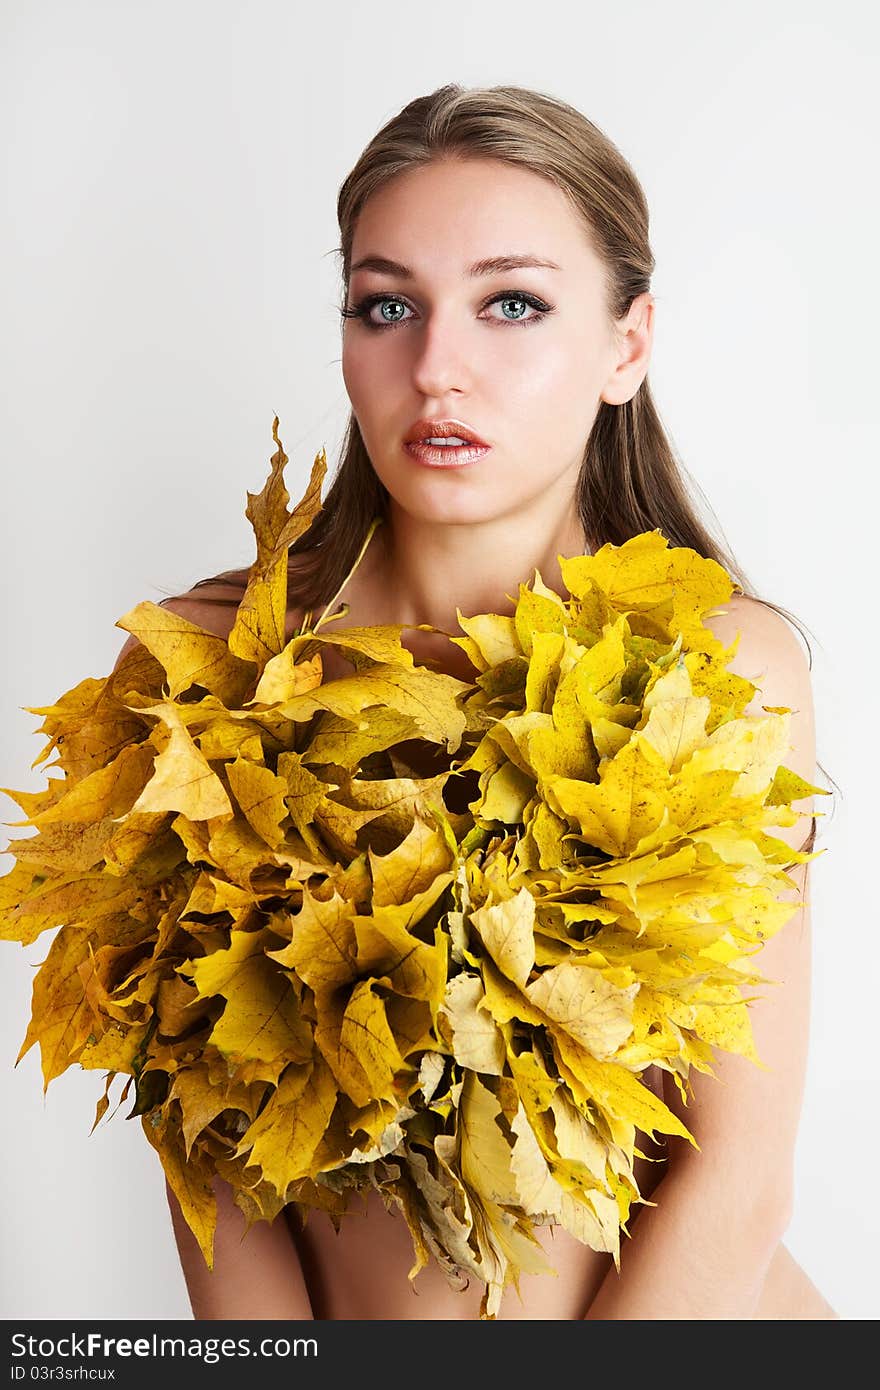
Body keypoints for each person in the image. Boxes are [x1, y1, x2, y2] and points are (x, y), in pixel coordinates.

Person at [116, 83, 837, 1319]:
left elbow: (736, 1177)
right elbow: (201, 1147)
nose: (436, 368)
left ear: (627, 344)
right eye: (387, 306)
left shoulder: (718, 667)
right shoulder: (198, 670)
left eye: (512, 304)